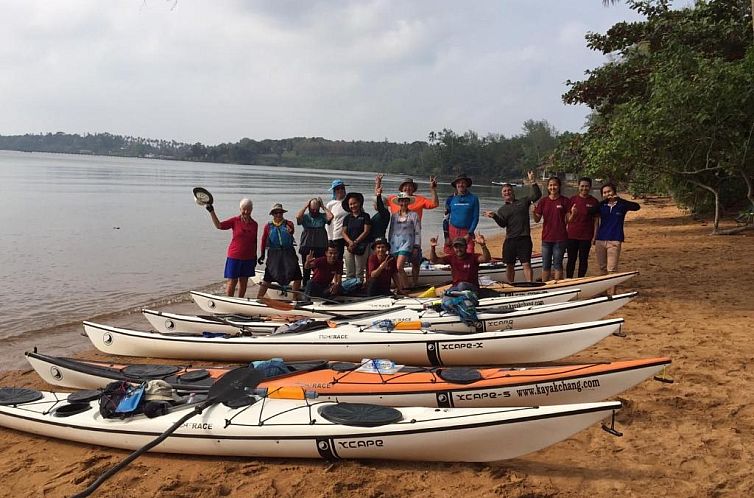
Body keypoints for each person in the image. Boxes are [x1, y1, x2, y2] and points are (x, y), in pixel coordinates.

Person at [483, 171, 541, 282]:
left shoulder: (524, 202)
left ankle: (530, 284)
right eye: (504, 191)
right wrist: (494, 216)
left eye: (509, 190)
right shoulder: (502, 210)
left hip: (524, 238)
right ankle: (511, 285)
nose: (507, 192)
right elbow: (503, 224)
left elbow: (537, 195)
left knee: (526, 264)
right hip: (510, 240)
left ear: (513, 191)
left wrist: (532, 181)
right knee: (509, 265)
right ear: (502, 194)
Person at [386, 176, 438, 285]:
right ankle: (400, 286)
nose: (407, 188)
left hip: (411, 239)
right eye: (405, 186)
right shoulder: (393, 207)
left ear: (413, 189)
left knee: (414, 262)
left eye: (410, 186)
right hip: (395, 242)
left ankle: (412, 285)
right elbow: (378, 205)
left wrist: (433, 189)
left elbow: (435, 204)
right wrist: (377, 186)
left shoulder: (419, 202)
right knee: (396, 266)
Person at [592, 182, 641, 295]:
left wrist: (619, 199)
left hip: (615, 239)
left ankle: (612, 293)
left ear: (614, 191)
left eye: (609, 191)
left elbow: (636, 207)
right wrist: (605, 200)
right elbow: (591, 211)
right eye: (604, 193)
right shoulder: (602, 206)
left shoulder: (621, 205)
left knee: (612, 269)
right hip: (600, 239)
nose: (607, 194)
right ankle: (603, 291)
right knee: (602, 268)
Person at [206, 198, 258, 298]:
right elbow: (219, 225)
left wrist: (255, 257)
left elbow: (254, 242)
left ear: (252, 209)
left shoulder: (254, 224)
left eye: (248, 209)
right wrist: (211, 211)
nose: (246, 212)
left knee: (244, 281)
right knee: (232, 281)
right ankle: (229, 301)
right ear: (240, 209)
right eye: (244, 209)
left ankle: (240, 301)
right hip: (234, 256)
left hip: (249, 258)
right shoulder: (235, 221)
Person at [257, 203, 302, 299]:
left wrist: (290, 231)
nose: (278, 215)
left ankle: (295, 298)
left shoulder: (289, 223)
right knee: (268, 277)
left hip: (288, 254)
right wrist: (262, 255)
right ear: (272, 214)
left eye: (280, 212)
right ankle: (259, 297)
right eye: (276, 213)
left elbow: (292, 231)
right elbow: (263, 241)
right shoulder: (268, 226)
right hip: (274, 255)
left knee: (297, 276)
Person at [533, 176, 573, 281]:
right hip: (546, 238)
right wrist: (533, 211)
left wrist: (574, 213)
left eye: (555, 185)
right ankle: (545, 286)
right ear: (547, 187)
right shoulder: (543, 201)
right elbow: (537, 219)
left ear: (559, 187)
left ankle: (557, 286)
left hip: (560, 238)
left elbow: (569, 220)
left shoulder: (565, 201)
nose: (552, 187)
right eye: (550, 185)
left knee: (557, 264)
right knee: (545, 265)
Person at [565, 177, 600, 278]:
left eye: (587, 186)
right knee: (571, 259)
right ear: (578, 186)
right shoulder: (572, 200)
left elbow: (596, 221)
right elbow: (567, 220)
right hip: (572, 235)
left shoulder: (594, 201)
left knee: (583, 259)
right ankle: (569, 280)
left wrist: (594, 236)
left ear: (590, 187)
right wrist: (573, 214)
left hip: (586, 236)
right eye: (582, 186)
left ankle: (581, 279)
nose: (584, 188)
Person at [295, 197, 333, 285]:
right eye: (313, 209)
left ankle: (320, 283)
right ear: (309, 208)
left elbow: (331, 216)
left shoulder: (322, 216)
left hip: (321, 246)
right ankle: (305, 285)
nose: (315, 211)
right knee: (306, 269)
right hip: (307, 245)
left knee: (321, 267)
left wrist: (323, 207)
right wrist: (305, 206)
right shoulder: (305, 217)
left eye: (317, 209)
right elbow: (297, 216)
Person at [388, 192, 421, 291]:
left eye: (405, 201)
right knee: (395, 268)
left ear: (408, 202)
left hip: (407, 243)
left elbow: (418, 231)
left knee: (399, 266)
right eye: (401, 201)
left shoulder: (414, 215)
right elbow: (391, 230)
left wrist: (416, 246)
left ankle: (407, 288)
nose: (403, 203)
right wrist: (388, 245)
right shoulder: (394, 216)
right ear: (398, 202)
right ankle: (400, 287)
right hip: (394, 243)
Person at [445, 173, 480, 256]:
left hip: (467, 231)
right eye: (459, 183)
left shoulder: (474, 198)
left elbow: (475, 218)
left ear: (467, 184)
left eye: (463, 182)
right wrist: (446, 236)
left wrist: (470, 233)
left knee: (469, 254)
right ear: (456, 185)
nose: (461, 184)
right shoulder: (450, 199)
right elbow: (445, 218)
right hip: (452, 230)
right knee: (451, 255)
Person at [341, 191, 372, 282]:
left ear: (359, 203)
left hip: (361, 246)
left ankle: (359, 287)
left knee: (359, 271)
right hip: (349, 246)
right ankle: (349, 288)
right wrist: (350, 242)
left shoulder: (365, 216)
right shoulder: (347, 218)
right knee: (350, 271)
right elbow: (343, 232)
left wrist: (356, 242)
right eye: (350, 204)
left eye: (354, 203)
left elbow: (366, 231)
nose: (353, 206)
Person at [325, 179, 348, 260]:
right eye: (337, 189)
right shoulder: (330, 204)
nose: (340, 190)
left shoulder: (350, 202)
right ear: (334, 191)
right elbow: (328, 223)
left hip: (350, 236)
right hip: (337, 236)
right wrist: (330, 238)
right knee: (337, 259)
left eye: (342, 188)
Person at [370, 175, 391, 240]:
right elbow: (376, 197)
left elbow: (379, 203)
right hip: (375, 238)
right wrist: (378, 183)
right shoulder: (382, 213)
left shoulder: (384, 213)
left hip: (379, 240)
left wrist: (379, 195)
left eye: (374, 203)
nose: (373, 205)